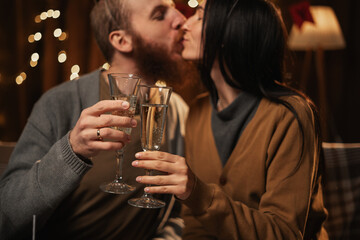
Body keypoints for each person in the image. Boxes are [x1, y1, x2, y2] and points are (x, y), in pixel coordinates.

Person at [131, 0, 329, 239]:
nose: (186, 23)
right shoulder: (198, 111)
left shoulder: (291, 115)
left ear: (229, 33)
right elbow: (194, 224)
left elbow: (285, 233)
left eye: (200, 16)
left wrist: (198, 192)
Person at [0, 0, 189, 239]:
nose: (180, 18)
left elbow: (178, 211)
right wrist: (72, 150)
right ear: (122, 40)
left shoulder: (175, 110)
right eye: (159, 14)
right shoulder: (60, 102)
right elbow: (6, 215)